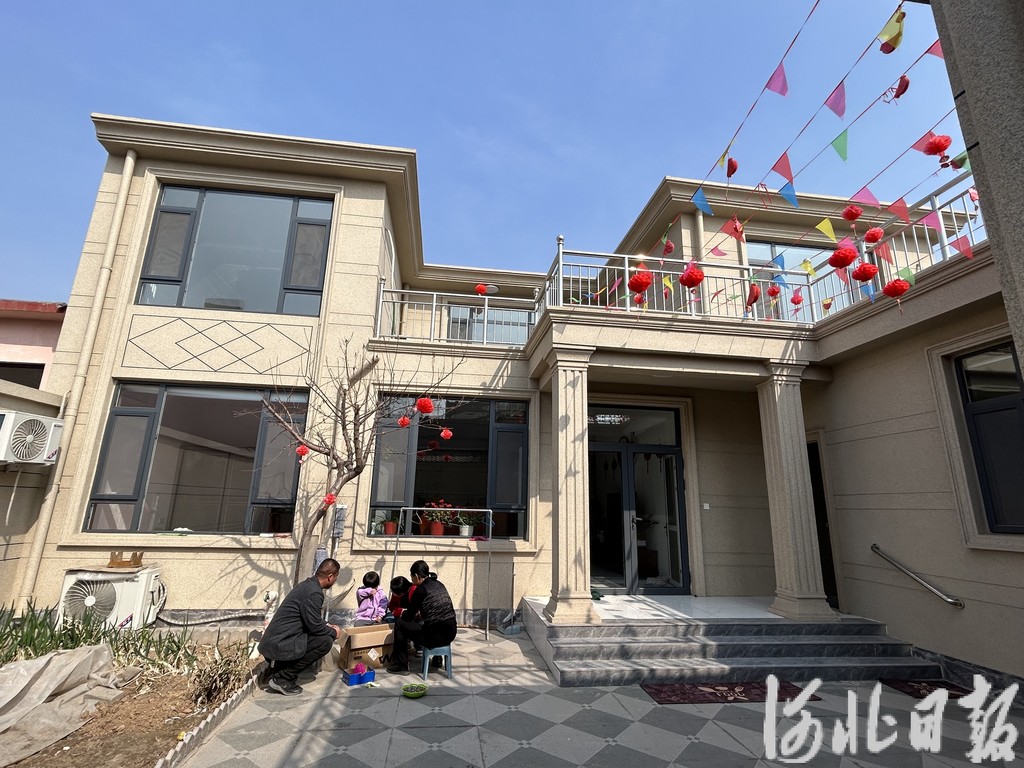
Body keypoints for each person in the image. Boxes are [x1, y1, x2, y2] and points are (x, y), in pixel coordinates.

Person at [258, 558, 342, 695]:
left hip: (278, 641)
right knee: (325, 641)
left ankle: (281, 669)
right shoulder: (314, 593)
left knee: (323, 635)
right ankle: (282, 678)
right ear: (330, 576)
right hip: (279, 644)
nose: (334, 581)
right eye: (335, 578)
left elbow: (312, 618)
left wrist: (327, 625)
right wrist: (334, 632)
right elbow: (314, 626)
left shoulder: (308, 585)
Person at [386, 560, 457, 674]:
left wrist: (401, 612)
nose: (412, 580)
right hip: (451, 633)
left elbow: (408, 616)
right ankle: (437, 659)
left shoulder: (420, 590)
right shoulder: (439, 584)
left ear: (416, 576)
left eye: (412, 577)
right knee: (432, 623)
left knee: (400, 623)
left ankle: (401, 665)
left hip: (434, 637)